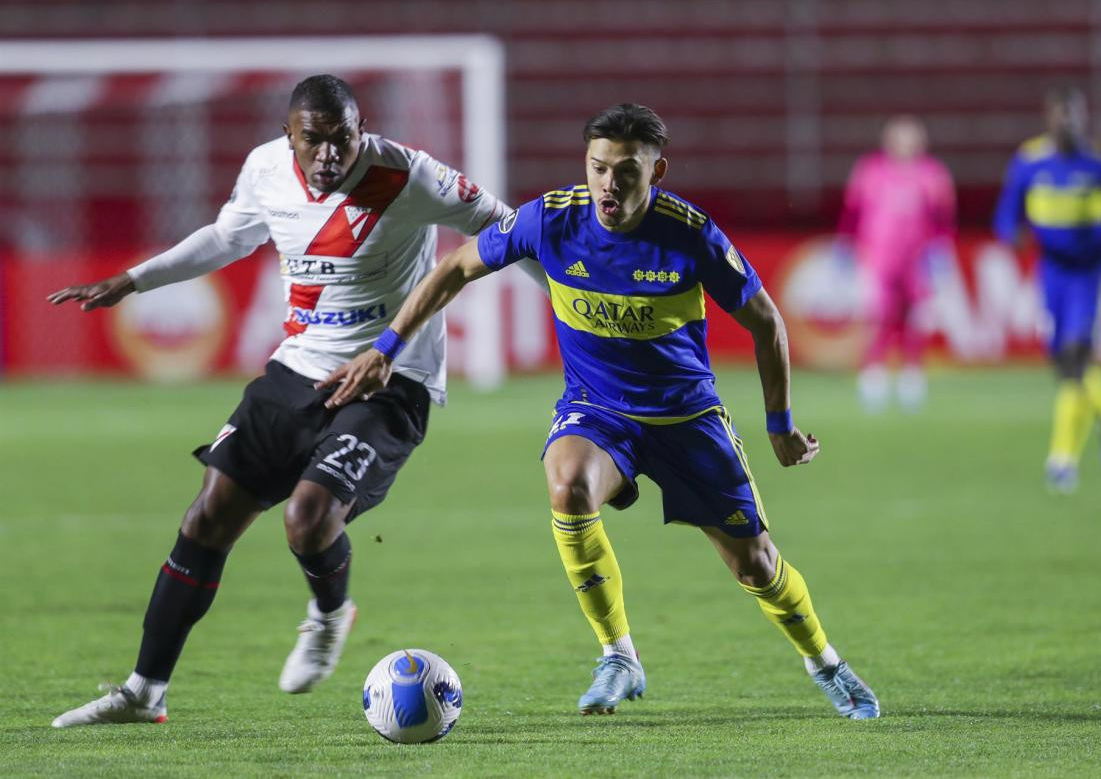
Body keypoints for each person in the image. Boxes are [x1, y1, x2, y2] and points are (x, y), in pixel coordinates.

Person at [319, 104, 880, 719]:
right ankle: (618, 655)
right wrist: (386, 348)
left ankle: (825, 663)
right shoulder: (550, 221)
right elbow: (455, 268)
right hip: (597, 411)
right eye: (598, 168)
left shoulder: (689, 234)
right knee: (567, 486)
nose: (609, 184)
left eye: (627, 172)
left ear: (656, 170)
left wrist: (779, 426)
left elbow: (767, 321)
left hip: (685, 419)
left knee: (756, 566)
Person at [46, 74, 542, 727]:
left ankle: (330, 614)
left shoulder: (407, 175)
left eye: (344, 139)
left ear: (361, 132)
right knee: (206, 517)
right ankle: (144, 692)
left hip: (389, 383)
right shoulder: (266, 170)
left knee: (307, 517)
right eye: (316, 140)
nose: (331, 154)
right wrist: (135, 279)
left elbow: (504, 224)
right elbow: (228, 237)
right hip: (295, 372)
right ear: (290, 135)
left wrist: (571, 300)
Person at [994, 85, 1101, 493]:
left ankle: (1061, 461)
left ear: (1083, 117)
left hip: (1090, 275)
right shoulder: (1030, 161)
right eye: (1060, 113)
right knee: (1066, 366)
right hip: (1051, 273)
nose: (1066, 121)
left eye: (1073, 113)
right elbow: (1007, 211)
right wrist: (1010, 234)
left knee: (1073, 354)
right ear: (1049, 117)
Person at [838, 115, 956, 412]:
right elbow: (852, 212)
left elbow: (943, 219)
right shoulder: (870, 171)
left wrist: (940, 250)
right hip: (879, 257)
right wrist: (845, 245)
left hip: (917, 258)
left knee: (916, 318)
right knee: (878, 315)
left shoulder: (932, 174)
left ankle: (911, 376)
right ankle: (873, 375)